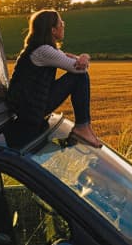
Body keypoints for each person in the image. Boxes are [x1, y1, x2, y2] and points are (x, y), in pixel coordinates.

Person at [7, 9, 101, 148]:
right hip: (30, 110)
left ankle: (83, 126)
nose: (64, 25)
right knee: (79, 77)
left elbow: (73, 60)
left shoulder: (43, 49)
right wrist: (84, 58)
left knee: (79, 75)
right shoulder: (43, 51)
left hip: (31, 107)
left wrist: (84, 57)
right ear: (52, 30)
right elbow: (80, 68)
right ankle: (82, 126)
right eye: (61, 23)